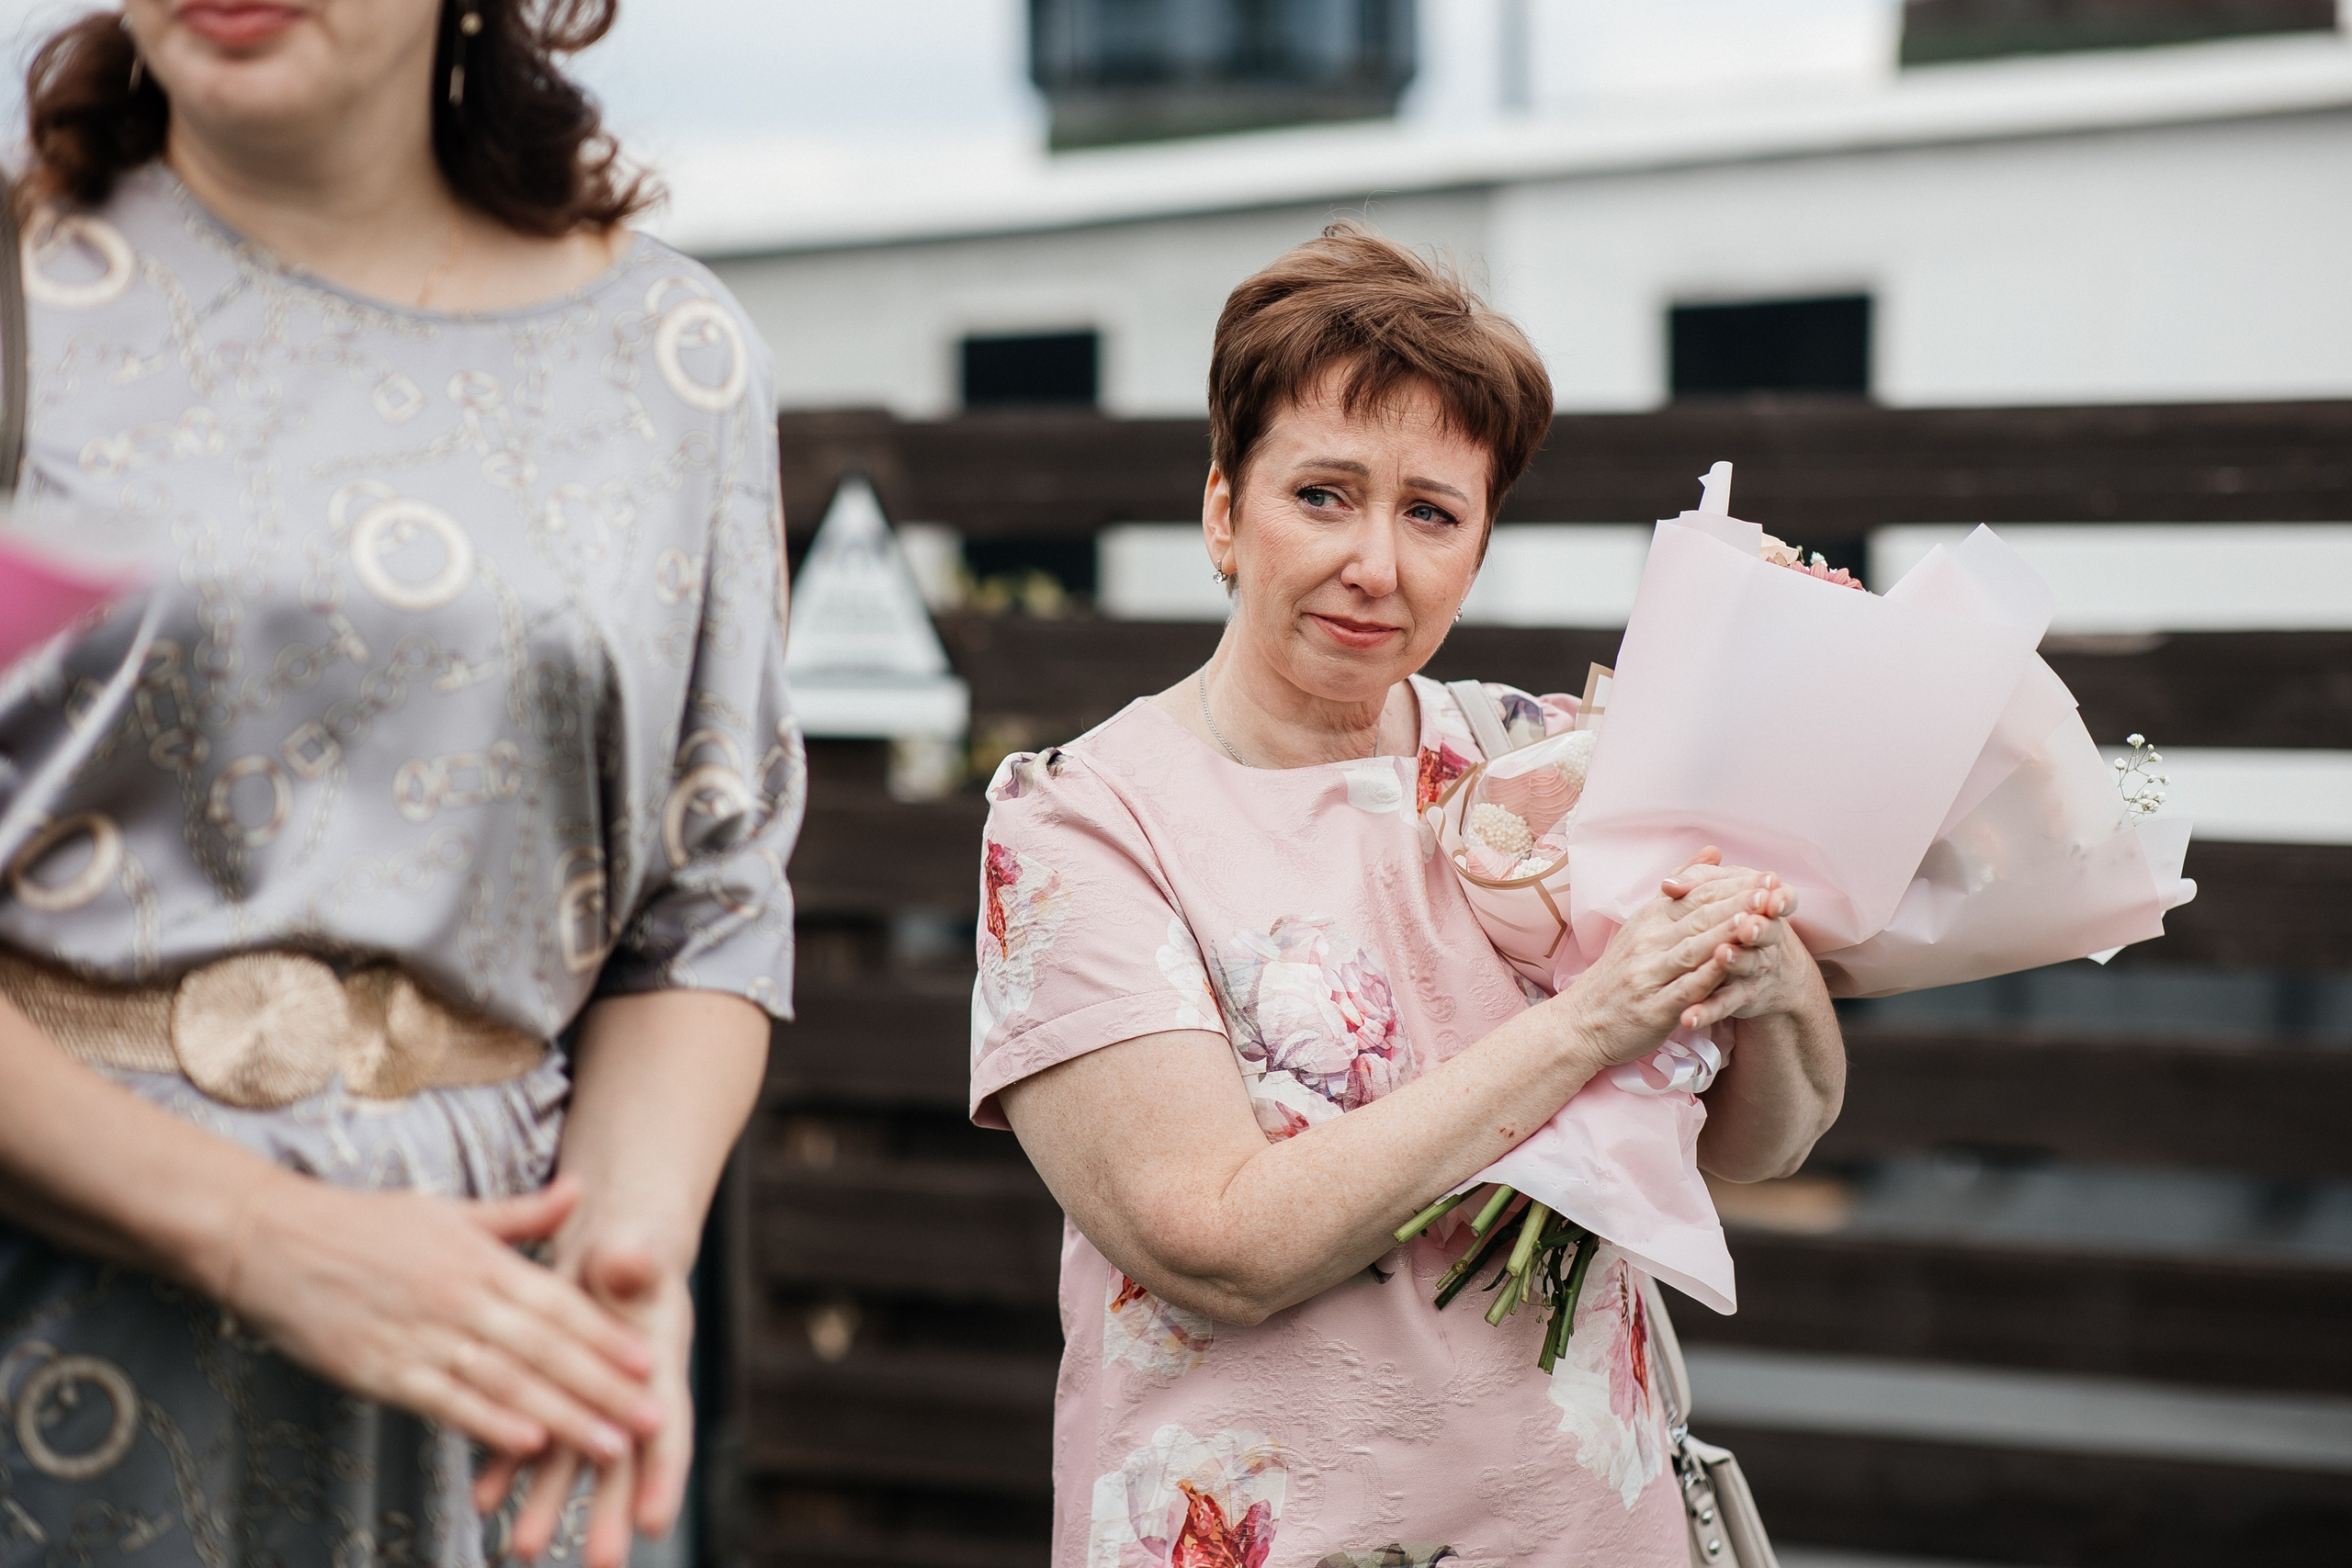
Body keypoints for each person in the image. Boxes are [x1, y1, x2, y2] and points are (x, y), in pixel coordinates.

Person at [0, 5, 800, 1567]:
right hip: (51, 1364)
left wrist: (623, 1261)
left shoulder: (678, 361)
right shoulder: (18, 297)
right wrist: (265, 1237)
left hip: (492, 1412)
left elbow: (703, 910)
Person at [972, 224, 1845, 1565]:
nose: (1376, 562)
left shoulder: (1532, 759)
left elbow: (1757, 1143)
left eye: (1431, 513)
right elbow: (1214, 1240)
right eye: (1323, 495)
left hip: (1584, 1533)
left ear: (1476, 548)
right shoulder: (1087, 819)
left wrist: (1771, 978)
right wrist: (1592, 1020)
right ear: (1223, 510)